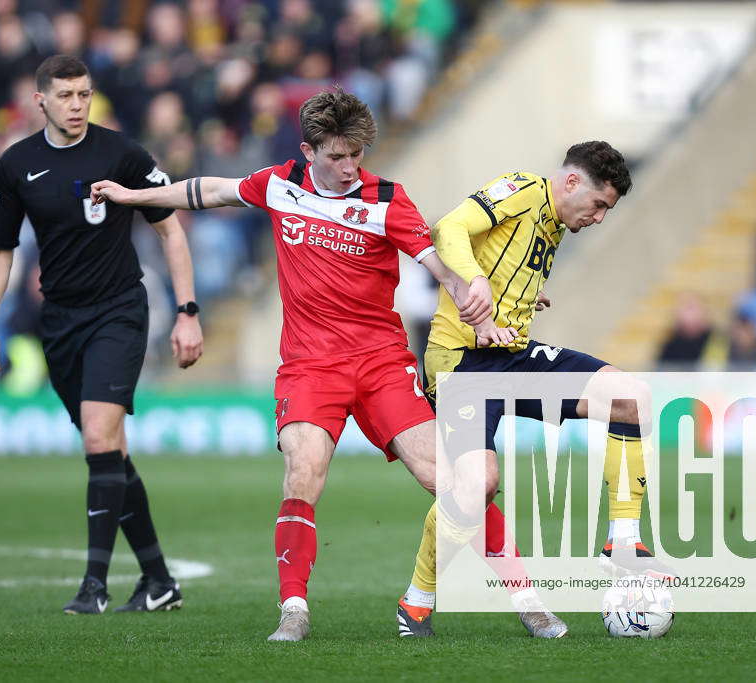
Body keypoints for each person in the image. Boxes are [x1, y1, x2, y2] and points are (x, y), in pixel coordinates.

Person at [91, 87, 493, 642]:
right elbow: (212, 190)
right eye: (336, 156)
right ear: (308, 150)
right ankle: (294, 609)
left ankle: (527, 598)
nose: (350, 167)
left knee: (447, 480)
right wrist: (136, 197)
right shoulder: (279, 184)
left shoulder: (385, 198)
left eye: (356, 154)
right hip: (310, 365)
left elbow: (433, 261)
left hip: (380, 361)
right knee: (302, 474)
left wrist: (464, 288)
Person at [395, 141, 676, 637]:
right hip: (460, 362)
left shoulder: (554, 222)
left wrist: (521, 292)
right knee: (476, 484)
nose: (599, 219)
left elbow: (507, 260)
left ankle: (624, 540)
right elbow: (449, 229)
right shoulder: (522, 189)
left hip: (512, 353)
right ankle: (417, 599)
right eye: (598, 205)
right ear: (571, 183)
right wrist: (476, 283)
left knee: (632, 399)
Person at [0, 55, 203, 615]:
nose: (78, 105)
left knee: (100, 441)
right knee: (110, 454)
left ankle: (93, 586)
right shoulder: (16, 164)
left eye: (85, 94)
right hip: (61, 323)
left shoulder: (123, 154)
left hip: (119, 311)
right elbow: (0, 250)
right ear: (41, 101)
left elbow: (171, 231)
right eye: (67, 95)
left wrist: (188, 310)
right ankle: (159, 581)